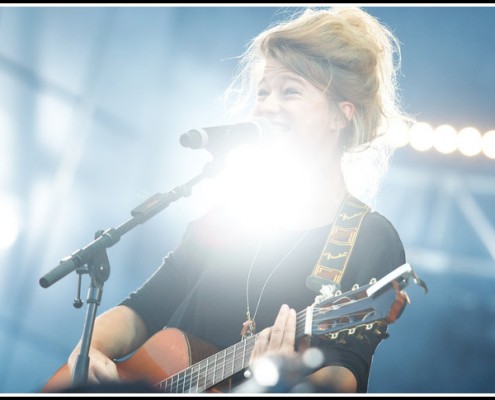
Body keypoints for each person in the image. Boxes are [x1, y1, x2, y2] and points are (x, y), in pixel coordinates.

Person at [63, 6, 412, 394]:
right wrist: (90, 350)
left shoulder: (368, 237)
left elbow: (345, 376)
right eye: (262, 92)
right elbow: (143, 308)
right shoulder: (227, 219)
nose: (267, 106)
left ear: (340, 115)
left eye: (291, 91)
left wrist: (284, 378)